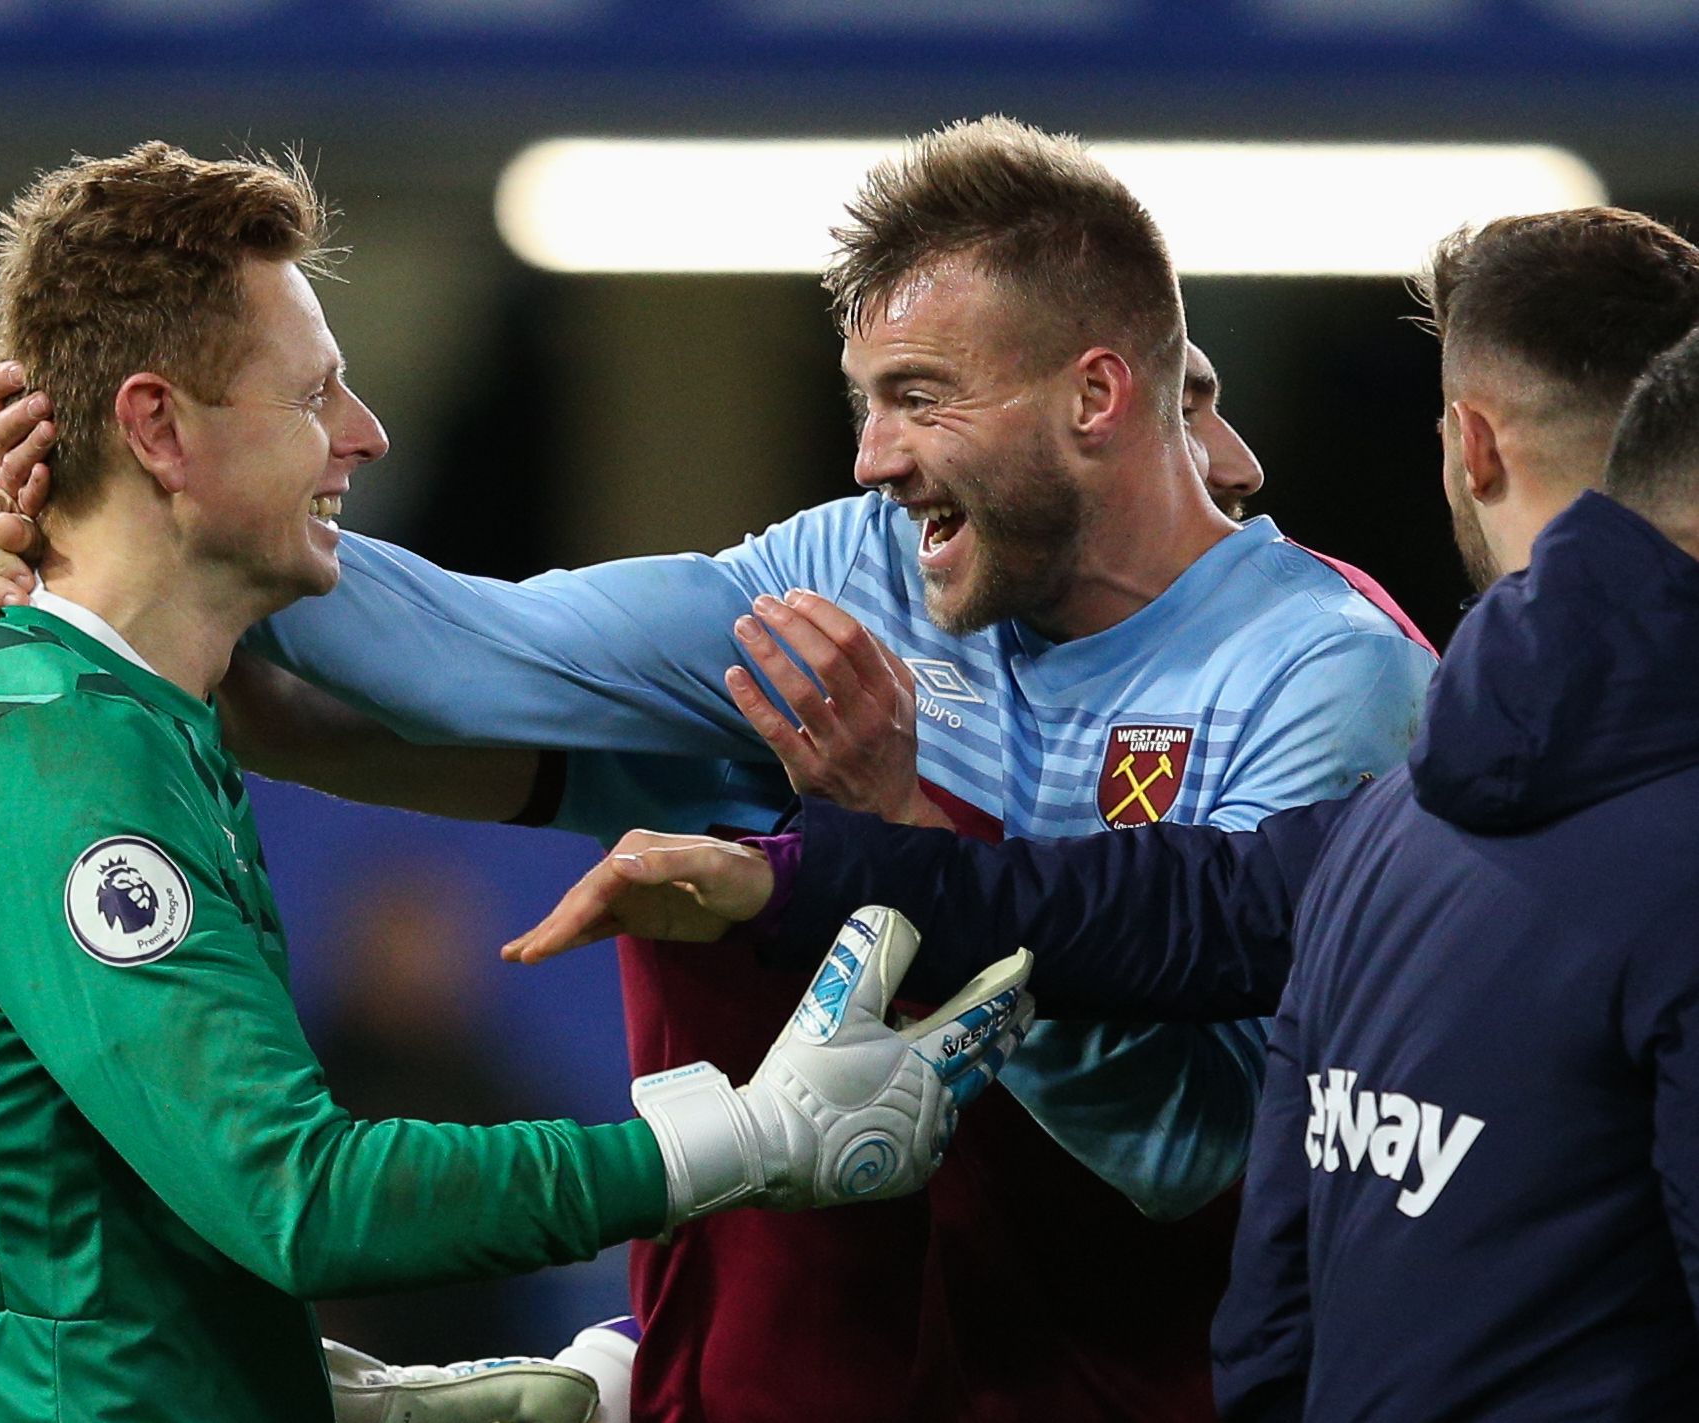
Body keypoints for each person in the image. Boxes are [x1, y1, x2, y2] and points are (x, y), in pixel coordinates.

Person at [0, 118, 1434, 1421]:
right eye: (862, 401)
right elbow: (475, 655)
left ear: (1097, 397)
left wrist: (897, 839)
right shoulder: (863, 574)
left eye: (918, 398)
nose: (868, 460)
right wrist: (90, 528)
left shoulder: (1324, 673)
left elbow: (1184, 1153)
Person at [0, 141, 1029, 1423]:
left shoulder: (126, 723)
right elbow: (301, 1199)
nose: (363, 434)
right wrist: (751, 1137)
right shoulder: (56, 765)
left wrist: (391, 1399)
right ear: (156, 428)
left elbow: (89, 1252)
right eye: (312, 396)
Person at [507, 210, 1699, 1421]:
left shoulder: (1388, 800)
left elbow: (1202, 1045)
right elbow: (1183, 913)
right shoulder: (1412, 816)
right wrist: (823, 867)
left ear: (1469, 447)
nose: (872, 459)